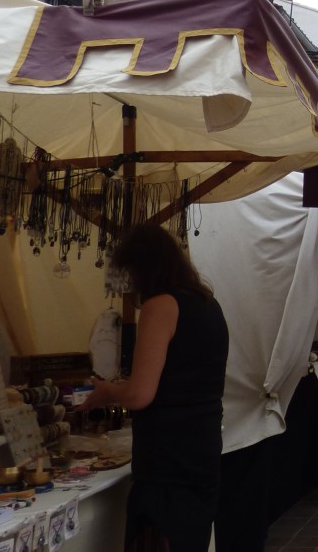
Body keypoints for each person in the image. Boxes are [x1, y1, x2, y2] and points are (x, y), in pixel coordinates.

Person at [80, 223, 229, 549]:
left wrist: (107, 392)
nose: (129, 283)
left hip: (167, 464)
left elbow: (139, 394)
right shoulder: (209, 305)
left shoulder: (160, 306)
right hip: (202, 452)